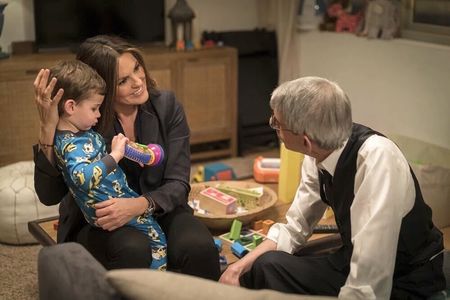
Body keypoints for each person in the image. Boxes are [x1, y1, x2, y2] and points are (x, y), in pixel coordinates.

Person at [219, 76, 445, 299]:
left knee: (270, 273)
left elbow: (370, 276)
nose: (274, 127)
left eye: (277, 125)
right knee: (265, 266)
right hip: (350, 258)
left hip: (406, 277)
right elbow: (295, 227)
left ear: (305, 140)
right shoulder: (318, 150)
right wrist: (237, 267)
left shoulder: (377, 159)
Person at [33, 35, 220, 279]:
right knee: (134, 249)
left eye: (137, 68)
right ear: (103, 87)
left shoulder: (167, 106)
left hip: (159, 208)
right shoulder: (85, 118)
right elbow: (49, 196)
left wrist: (138, 205)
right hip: (99, 219)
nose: (138, 81)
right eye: (123, 80)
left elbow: (178, 183)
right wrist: (48, 127)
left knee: (199, 247)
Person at [50, 60, 167, 270]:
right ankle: (156, 283)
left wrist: (127, 150)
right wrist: (114, 156)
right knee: (157, 238)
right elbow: (82, 178)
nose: (98, 114)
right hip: (109, 209)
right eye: (94, 108)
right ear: (70, 106)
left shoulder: (76, 133)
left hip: (111, 201)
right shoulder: (72, 145)